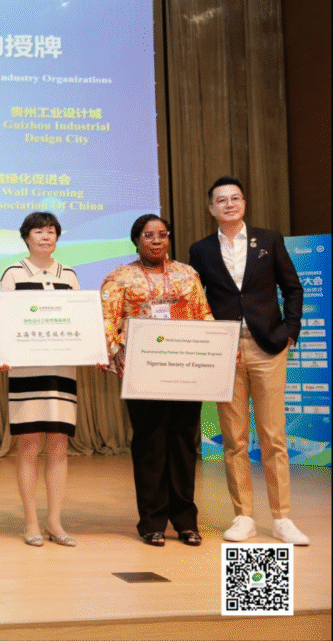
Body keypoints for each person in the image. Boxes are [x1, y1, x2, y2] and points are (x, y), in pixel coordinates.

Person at [188, 176, 308, 546]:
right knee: (234, 438)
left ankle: (282, 518)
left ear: (244, 203)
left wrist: (289, 331)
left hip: (268, 346)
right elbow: (196, 300)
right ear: (211, 209)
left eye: (235, 198)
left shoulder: (269, 240)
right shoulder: (201, 250)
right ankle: (243, 517)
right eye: (221, 200)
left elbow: (292, 288)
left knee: (273, 436)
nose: (229, 204)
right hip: (226, 352)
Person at [100, 214, 213, 547]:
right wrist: (116, 352)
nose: (156, 241)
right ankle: (152, 522)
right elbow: (106, 322)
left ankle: (186, 521)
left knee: (184, 443)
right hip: (143, 370)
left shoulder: (187, 274)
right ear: (136, 240)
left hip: (185, 368)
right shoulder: (119, 278)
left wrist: (215, 352)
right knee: (151, 445)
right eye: (149, 235)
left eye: (162, 235)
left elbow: (203, 314)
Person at [0, 212, 80, 547]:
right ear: (26, 237)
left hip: (61, 369)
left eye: (51, 231)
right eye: (38, 231)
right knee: (29, 444)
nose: (46, 236)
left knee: (59, 445)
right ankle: (31, 521)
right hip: (26, 368)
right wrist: (3, 352)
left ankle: (55, 522)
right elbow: (2, 319)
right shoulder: (13, 273)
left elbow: (81, 320)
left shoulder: (69, 275)